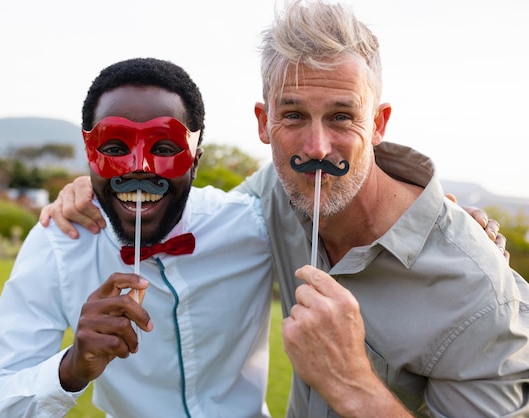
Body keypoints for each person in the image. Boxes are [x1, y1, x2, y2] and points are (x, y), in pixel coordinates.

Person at [40, 1, 529, 416]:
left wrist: (352, 384)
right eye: (293, 115)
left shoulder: (480, 295)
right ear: (263, 122)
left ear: (378, 124)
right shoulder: (277, 191)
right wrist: (106, 183)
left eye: (342, 116)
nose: (316, 147)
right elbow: (199, 216)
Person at [0, 58, 275, 417]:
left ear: (195, 160)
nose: (138, 168)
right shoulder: (59, 242)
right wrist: (71, 368)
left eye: (163, 148)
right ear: (89, 157)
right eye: (114, 148)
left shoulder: (251, 224)